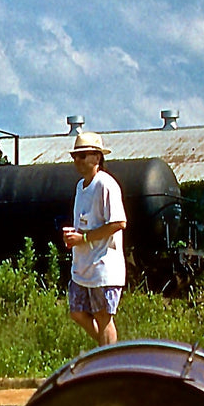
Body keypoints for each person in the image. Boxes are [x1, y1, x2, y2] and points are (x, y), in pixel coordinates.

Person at [61, 131, 127, 347]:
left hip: (103, 266)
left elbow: (118, 222)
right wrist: (74, 236)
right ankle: (108, 352)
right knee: (77, 312)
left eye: (83, 156)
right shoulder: (80, 187)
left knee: (103, 316)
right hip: (83, 266)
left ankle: (109, 362)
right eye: (75, 157)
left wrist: (84, 238)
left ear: (97, 157)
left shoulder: (106, 185)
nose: (77, 161)